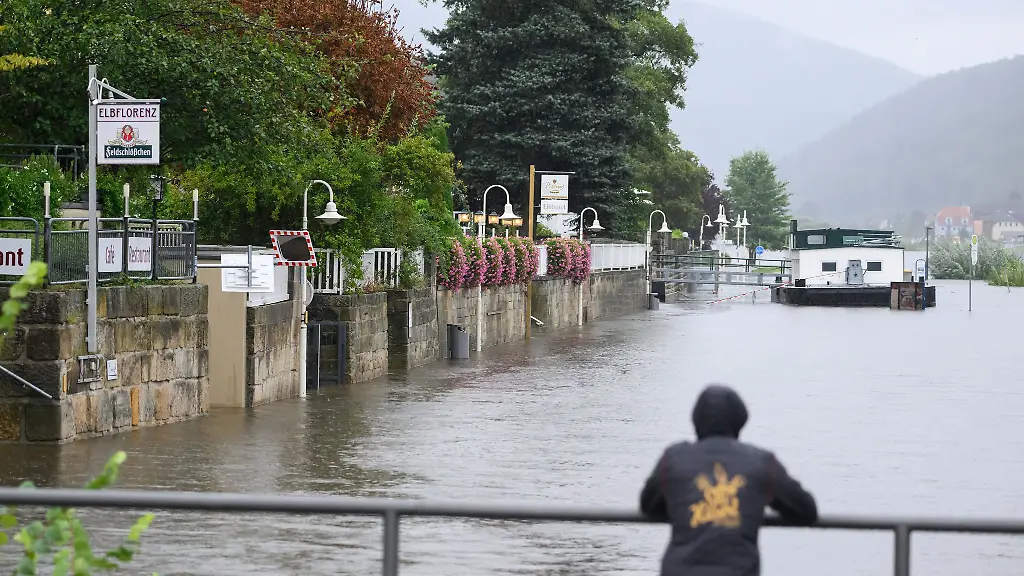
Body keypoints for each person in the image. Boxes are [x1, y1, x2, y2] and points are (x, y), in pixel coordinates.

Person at [639, 384, 818, 576]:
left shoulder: (673, 458)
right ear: (739, 421)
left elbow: (648, 506)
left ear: (696, 420)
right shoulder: (761, 462)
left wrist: (684, 507)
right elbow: (805, 510)